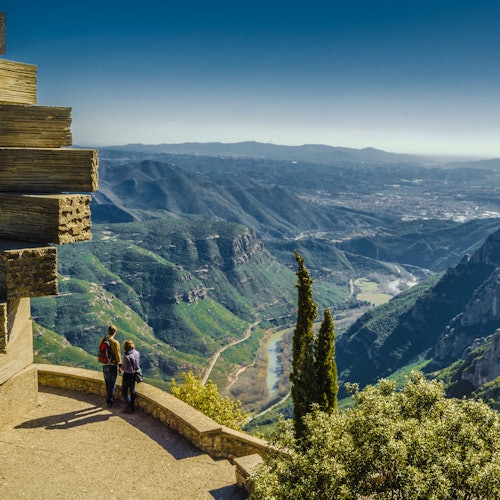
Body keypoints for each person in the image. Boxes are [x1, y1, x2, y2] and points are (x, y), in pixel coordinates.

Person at [101, 324, 122, 407]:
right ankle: (110, 402)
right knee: (112, 384)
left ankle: (108, 399)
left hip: (104, 364)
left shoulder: (102, 340)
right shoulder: (115, 342)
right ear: (114, 332)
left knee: (107, 383)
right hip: (112, 365)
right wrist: (120, 365)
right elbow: (117, 354)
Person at [121, 339, 141, 414]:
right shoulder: (137, 353)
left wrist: (120, 366)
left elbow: (124, 368)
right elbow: (138, 365)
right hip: (134, 375)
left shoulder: (126, 356)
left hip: (127, 375)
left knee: (124, 391)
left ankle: (129, 405)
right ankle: (132, 406)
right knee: (132, 390)